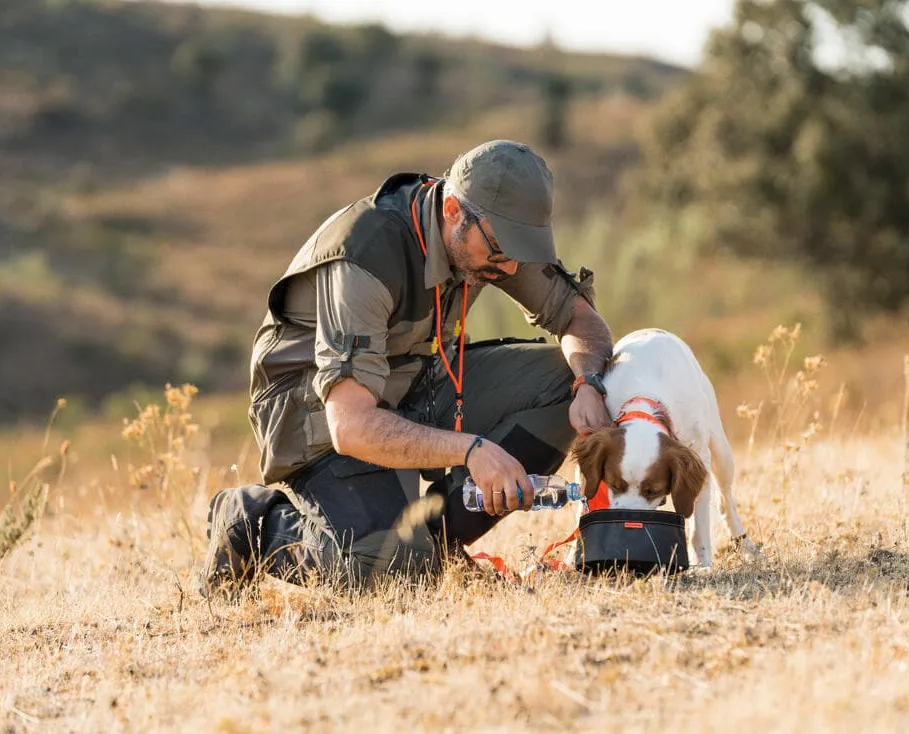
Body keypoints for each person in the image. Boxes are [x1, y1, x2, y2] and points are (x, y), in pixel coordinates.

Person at [201, 139, 614, 595]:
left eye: (521, 249)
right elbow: (352, 425)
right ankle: (252, 521)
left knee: (560, 384)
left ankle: (429, 549)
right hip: (317, 407)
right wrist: (471, 449)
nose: (511, 264)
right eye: (500, 251)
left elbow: (581, 322)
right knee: (382, 571)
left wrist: (588, 383)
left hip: (415, 380)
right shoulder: (365, 255)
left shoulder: (494, 237)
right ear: (454, 210)